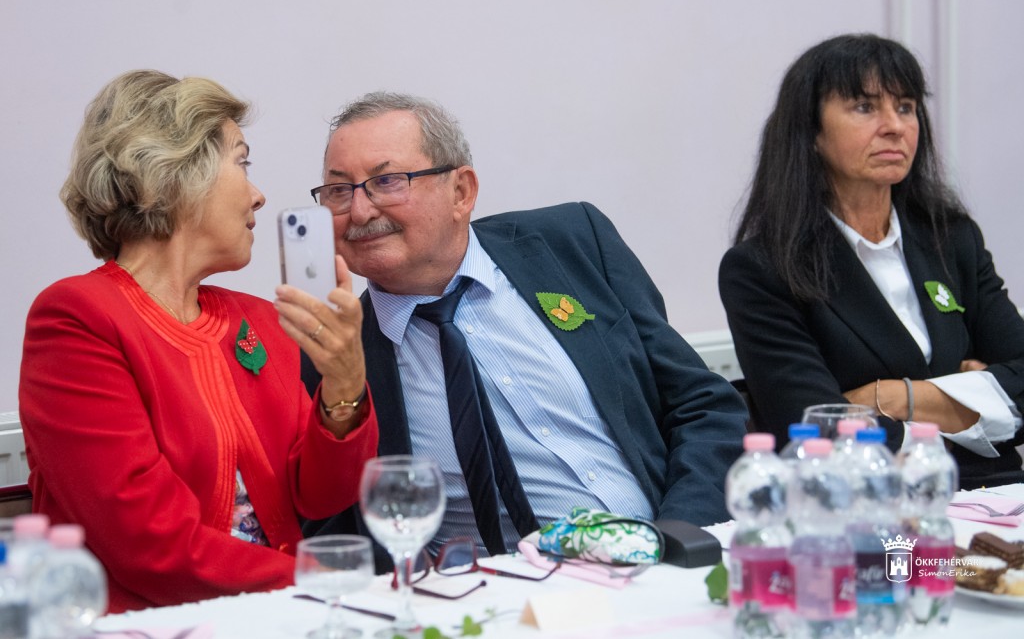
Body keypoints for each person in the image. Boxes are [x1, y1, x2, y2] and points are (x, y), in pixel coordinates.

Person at [301, 91, 748, 563]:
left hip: (668, 555)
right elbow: (335, 526)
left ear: (461, 191)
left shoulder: (571, 243)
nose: (360, 212)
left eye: (387, 181)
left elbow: (702, 406)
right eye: (339, 191)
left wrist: (673, 541)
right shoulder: (335, 362)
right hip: (503, 594)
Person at [18, 70, 379, 613]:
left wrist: (344, 380)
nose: (258, 195)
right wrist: (323, 582)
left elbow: (325, 495)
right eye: (241, 162)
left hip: (276, 612)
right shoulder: (76, 318)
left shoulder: (257, 319)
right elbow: (149, 544)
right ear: (173, 174)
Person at [719, 33, 1024, 488]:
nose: (895, 126)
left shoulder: (951, 237)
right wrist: (973, 400)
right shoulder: (762, 269)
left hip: (999, 492)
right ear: (811, 133)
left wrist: (892, 397)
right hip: (868, 503)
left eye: (905, 107)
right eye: (865, 107)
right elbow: (817, 430)